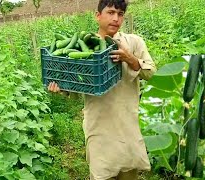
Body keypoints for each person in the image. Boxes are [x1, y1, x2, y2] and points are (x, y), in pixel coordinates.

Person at [48, 0, 157, 179]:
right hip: (99, 127)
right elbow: (75, 88)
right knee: (101, 173)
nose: (115, 18)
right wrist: (62, 88)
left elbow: (151, 74)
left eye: (120, 14)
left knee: (129, 173)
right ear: (98, 15)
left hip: (127, 124)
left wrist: (130, 59)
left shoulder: (134, 43)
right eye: (111, 12)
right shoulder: (85, 45)